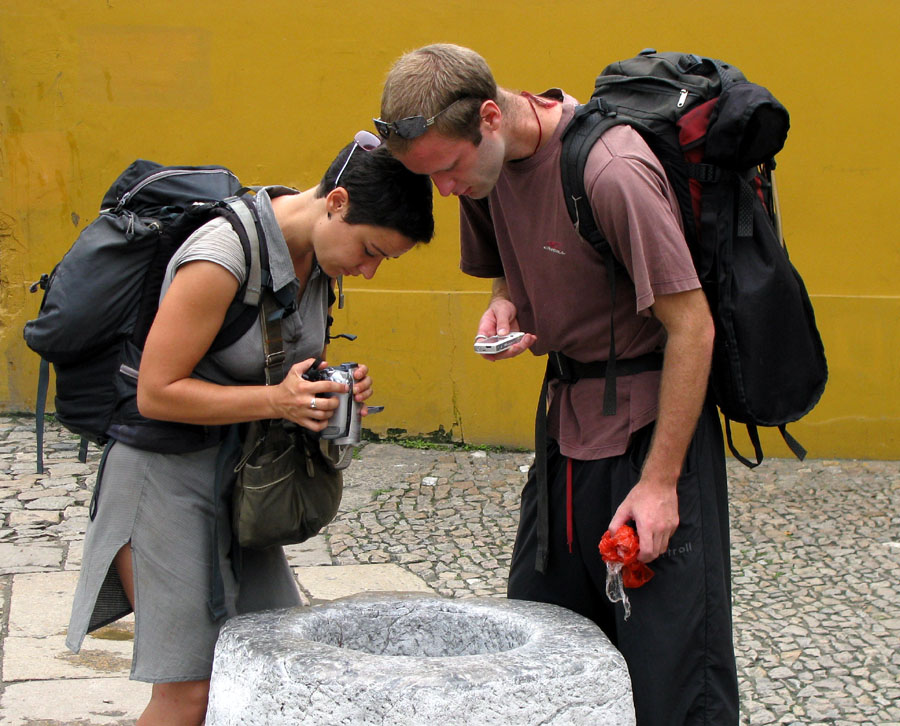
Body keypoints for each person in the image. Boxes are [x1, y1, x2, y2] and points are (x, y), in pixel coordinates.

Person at [377, 44, 738, 725]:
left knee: (671, 674)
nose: (445, 190)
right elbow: (508, 268)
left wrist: (660, 486)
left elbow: (694, 329)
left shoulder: (611, 170)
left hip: (648, 439)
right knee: (540, 649)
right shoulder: (480, 173)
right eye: (431, 178)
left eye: (449, 169)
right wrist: (506, 301)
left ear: (491, 116)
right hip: (564, 439)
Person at [66, 132, 434, 725]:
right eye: (370, 250)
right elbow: (155, 393)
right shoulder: (222, 254)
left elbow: (277, 367)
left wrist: (327, 393)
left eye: (382, 261)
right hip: (160, 482)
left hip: (241, 483)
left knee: (277, 664)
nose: (367, 271)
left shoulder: (313, 258)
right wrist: (276, 400)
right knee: (189, 693)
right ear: (336, 203)